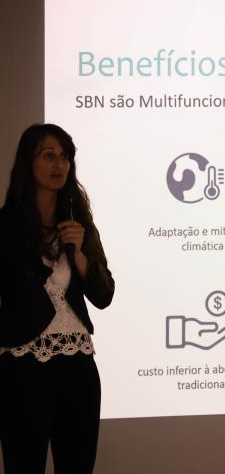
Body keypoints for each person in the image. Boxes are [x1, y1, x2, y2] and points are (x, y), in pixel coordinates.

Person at [0, 124, 115, 473]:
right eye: (49, 155)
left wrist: (79, 255)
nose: (59, 164)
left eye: (65, 157)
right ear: (28, 162)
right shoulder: (6, 226)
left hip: (78, 365)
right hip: (23, 365)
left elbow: (104, 295)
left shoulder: (78, 225)